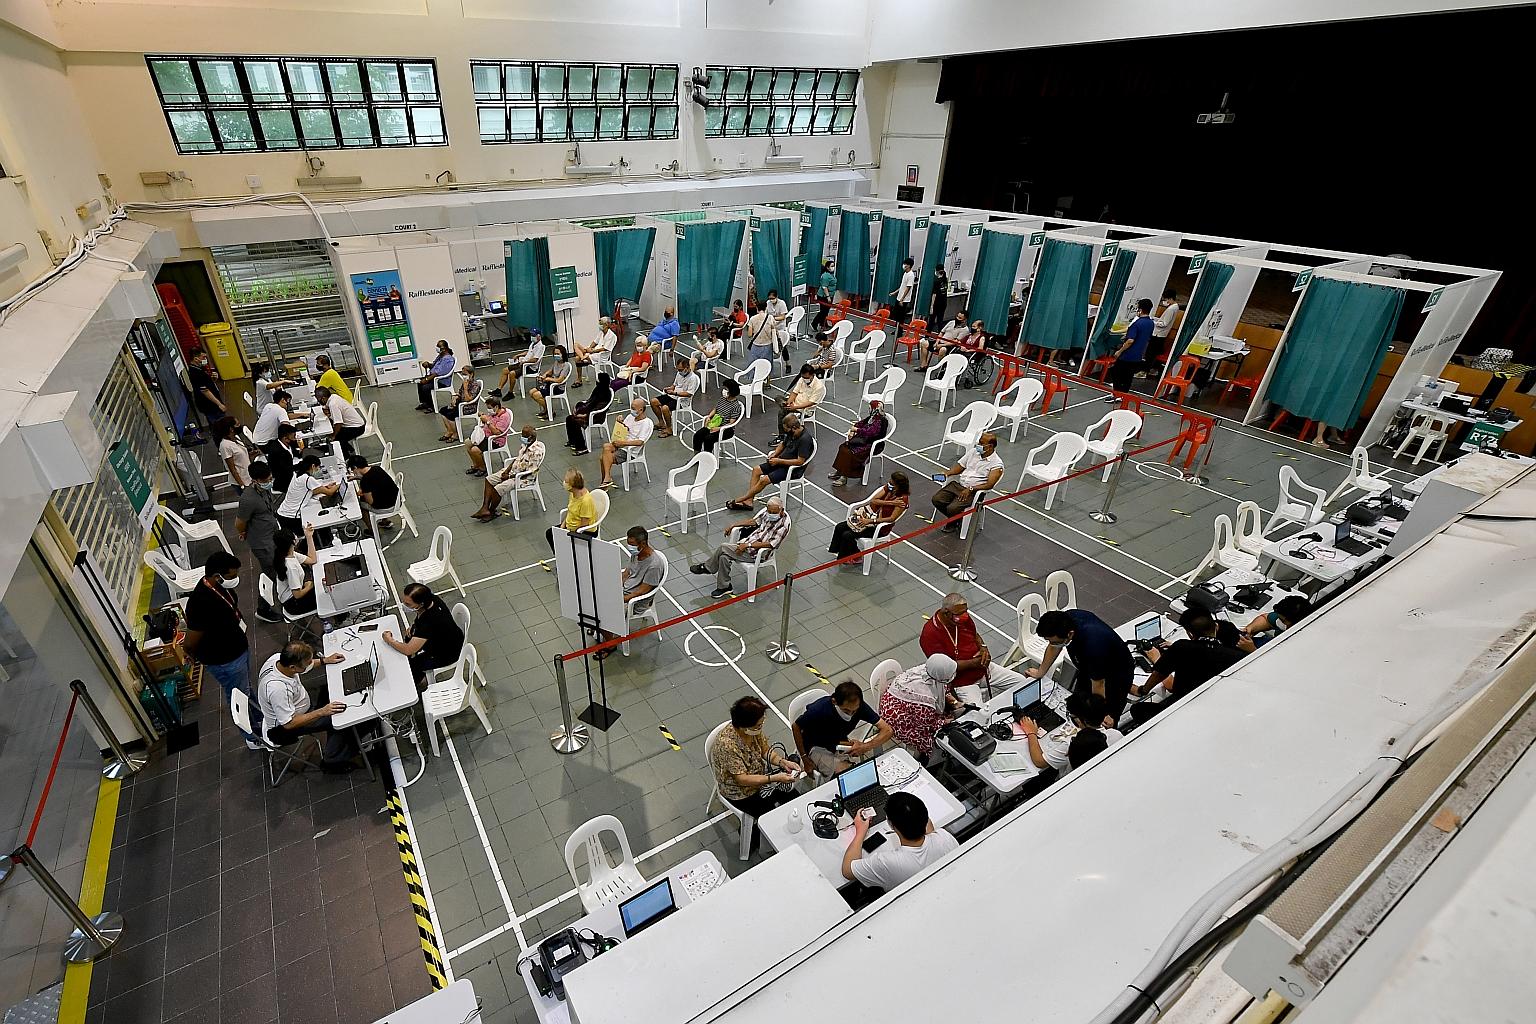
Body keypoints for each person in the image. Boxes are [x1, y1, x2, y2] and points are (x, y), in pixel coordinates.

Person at [1128, 609, 1248, 725]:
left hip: (1183, 709)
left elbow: (1162, 676)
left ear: (1190, 633)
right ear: (1216, 626)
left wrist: (1155, 660)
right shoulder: (1237, 656)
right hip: (1216, 707)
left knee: (1138, 709)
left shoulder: (1182, 647)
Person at [709, 696, 802, 844]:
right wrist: (775, 778)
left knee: (793, 796)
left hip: (760, 777)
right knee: (771, 814)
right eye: (758, 725)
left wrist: (782, 762)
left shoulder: (753, 731)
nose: (761, 727)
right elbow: (742, 779)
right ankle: (752, 836)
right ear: (744, 726)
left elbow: (765, 750)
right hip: (740, 792)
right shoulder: (727, 746)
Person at [256, 641, 356, 770]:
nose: (310, 663)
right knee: (342, 718)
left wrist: (325, 660)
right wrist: (322, 711)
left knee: (332, 691)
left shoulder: (278, 659)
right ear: (293, 667)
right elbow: (288, 723)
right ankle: (333, 760)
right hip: (285, 729)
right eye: (307, 663)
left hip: (299, 708)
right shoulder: (277, 689)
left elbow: (306, 666)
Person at [920, 591, 1029, 703]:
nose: (964, 616)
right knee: (978, 711)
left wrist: (983, 648)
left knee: (1022, 683)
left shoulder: (962, 618)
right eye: (960, 614)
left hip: (983, 668)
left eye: (965, 611)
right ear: (946, 613)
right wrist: (973, 663)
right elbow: (944, 668)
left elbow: (974, 634)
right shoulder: (929, 634)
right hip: (963, 682)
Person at [1029, 608, 1136, 720]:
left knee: (1103, 719)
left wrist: (1100, 714)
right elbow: (1053, 647)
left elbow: (1099, 684)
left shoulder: (1093, 646)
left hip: (1116, 675)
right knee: (1077, 706)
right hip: (1089, 668)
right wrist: (1040, 673)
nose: (1052, 644)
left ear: (1070, 634)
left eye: (1055, 641)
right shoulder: (1065, 621)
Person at [842, 791, 958, 889]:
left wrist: (860, 832)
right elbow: (929, 829)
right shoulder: (944, 837)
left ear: (891, 824)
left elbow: (847, 871)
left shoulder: (887, 862)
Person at [183, 551, 251, 717]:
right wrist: (190, 654)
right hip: (225, 659)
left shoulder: (220, 587)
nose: (235, 579)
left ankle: (256, 714)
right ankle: (249, 729)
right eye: (232, 576)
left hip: (238, 646)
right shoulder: (199, 603)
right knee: (238, 695)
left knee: (245, 688)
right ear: (217, 576)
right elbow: (190, 642)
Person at [691, 497, 790, 599]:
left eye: (774, 512)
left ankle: (708, 568)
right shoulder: (767, 512)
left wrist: (748, 545)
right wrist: (734, 525)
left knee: (723, 547)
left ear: (781, 510)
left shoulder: (784, 525)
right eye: (770, 511)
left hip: (758, 554)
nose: (771, 514)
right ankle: (724, 587)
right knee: (724, 557)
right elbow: (754, 522)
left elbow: (771, 544)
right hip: (747, 544)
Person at [793, 680, 894, 776]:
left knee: (856, 768)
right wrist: (805, 758)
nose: (850, 714)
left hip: (838, 742)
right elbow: (796, 726)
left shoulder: (860, 707)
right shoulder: (819, 710)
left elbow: (888, 730)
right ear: (834, 702)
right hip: (814, 745)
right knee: (844, 772)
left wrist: (865, 746)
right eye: (846, 710)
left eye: (854, 711)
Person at [596, 526, 667, 661]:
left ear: (643, 543)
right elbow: (627, 573)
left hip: (636, 601)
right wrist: (612, 587)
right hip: (624, 592)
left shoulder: (655, 565)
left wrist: (622, 599)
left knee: (601, 614)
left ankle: (610, 643)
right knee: (593, 601)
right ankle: (601, 627)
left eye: (632, 544)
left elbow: (643, 590)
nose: (630, 547)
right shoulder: (636, 554)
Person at [1016, 691, 1123, 777]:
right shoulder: (1116, 735)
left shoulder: (1074, 745)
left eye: (1072, 717)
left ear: (1081, 720)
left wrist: (1031, 733)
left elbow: (1039, 761)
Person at [878, 654, 963, 760]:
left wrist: (954, 702)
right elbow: (929, 724)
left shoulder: (927, 670)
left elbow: (943, 688)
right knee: (936, 739)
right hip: (898, 722)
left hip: (894, 704)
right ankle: (925, 760)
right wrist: (949, 721)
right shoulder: (925, 698)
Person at [382, 583, 465, 686]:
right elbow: (420, 617)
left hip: (448, 653)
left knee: (412, 665)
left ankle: (421, 682)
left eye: (408, 604)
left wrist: (389, 640)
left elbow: (408, 650)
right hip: (451, 637)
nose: (404, 605)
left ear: (420, 604)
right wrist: (414, 626)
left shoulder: (429, 622)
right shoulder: (432, 600)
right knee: (408, 638)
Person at [724, 414, 812, 510]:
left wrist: (779, 461)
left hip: (792, 469)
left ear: (794, 427)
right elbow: (783, 444)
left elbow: (800, 461)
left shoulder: (805, 440)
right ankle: (749, 501)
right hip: (780, 462)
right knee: (756, 470)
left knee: (764, 480)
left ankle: (742, 498)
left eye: (787, 430)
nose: (786, 432)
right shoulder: (792, 433)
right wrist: (775, 454)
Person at [931, 432, 1003, 532]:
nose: (978, 445)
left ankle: (952, 523)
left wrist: (971, 489)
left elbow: (989, 485)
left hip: (974, 492)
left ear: (990, 446)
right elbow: (960, 467)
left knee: (952, 508)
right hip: (959, 486)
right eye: (979, 442)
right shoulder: (973, 452)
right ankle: (958, 518)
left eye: (981, 443)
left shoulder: (996, 464)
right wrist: (947, 473)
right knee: (937, 499)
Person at [830, 472, 909, 560]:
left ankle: (856, 556)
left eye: (892, 480)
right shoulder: (889, 487)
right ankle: (837, 550)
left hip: (879, 527)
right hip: (869, 517)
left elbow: (892, 518)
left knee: (847, 535)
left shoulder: (902, 500)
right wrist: (891, 503)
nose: (889, 481)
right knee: (839, 527)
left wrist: (870, 521)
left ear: (898, 485)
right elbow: (874, 500)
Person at [473, 424, 545, 521]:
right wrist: (507, 471)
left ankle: (492, 511)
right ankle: (485, 508)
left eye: (524, 436)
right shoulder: (525, 445)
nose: (522, 437)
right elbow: (517, 459)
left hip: (523, 478)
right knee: (489, 480)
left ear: (531, 437)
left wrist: (509, 476)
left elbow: (530, 471)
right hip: (512, 471)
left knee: (498, 489)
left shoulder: (536, 452)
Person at [236, 461, 281, 579]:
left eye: (270, 479)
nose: (269, 483)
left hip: (272, 532)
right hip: (262, 541)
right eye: (266, 481)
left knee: (279, 560)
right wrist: (242, 532)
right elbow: (239, 522)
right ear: (255, 481)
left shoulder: (265, 489)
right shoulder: (247, 499)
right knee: (270, 566)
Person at [827, 400, 889, 486]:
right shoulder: (872, 418)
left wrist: (857, 430)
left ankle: (844, 477)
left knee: (849, 453)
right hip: (864, 441)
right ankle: (840, 471)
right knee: (843, 447)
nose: (869, 409)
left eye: (870, 408)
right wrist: (853, 429)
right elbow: (860, 423)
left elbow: (870, 432)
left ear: (875, 409)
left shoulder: (881, 421)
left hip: (872, 445)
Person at [598, 397, 654, 489]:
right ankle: (607, 479)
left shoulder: (646, 423)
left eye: (633, 408)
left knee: (603, 458)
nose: (631, 410)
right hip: (622, 444)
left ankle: (606, 480)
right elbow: (625, 429)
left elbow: (640, 442)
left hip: (630, 450)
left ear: (640, 410)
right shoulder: (630, 417)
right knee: (606, 446)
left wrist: (623, 443)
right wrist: (620, 422)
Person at [275, 453, 337, 535]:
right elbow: (330, 493)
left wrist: (325, 487)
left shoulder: (297, 474)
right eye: (318, 468)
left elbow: (310, 491)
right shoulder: (307, 479)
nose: (318, 470)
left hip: (283, 513)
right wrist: (339, 484)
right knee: (318, 523)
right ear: (313, 466)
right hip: (292, 517)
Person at [269, 525, 319, 617]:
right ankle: (340, 619)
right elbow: (297, 594)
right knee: (327, 595)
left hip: (293, 595)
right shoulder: (291, 567)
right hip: (294, 604)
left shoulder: (288, 554)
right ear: (292, 541)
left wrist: (309, 536)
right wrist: (309, 586)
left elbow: (312, 560)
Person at [1109, 298, 1155, 396]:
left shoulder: (1137, 324)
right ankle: (1123, 394)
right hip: (1138, 354)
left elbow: (1130, 341)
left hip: (1128, 354)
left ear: (1140, 310)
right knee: (1128, 376)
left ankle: (1116, 393)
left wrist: (1120, 351)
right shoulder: (1151, 323)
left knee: (1116, 372)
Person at [1237, 595, 1314, 651]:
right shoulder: (1286, 618)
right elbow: (1266, 619)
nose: (1280, 621)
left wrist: (1253, 650)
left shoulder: (1301, 642)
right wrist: (1251, 628)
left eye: (1283, 620)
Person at [544, 469, 596, 549]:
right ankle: (559, 553)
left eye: (566, 481)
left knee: (560, 540)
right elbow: (570, 511)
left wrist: (570, 533)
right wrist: (562, 526)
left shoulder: (585, 501)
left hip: (583, 531)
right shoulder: (573, 493)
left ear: (573, 485)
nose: (564, 483)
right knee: (550, 533)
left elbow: (584, 524)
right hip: (570, 526)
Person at [565, 372, 615, 455]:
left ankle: (582, 447)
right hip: (589, 413)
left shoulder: (606, 395)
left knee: (575, 422)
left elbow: (598, 409)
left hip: (596, 417)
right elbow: (590, 401)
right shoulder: (598, 389)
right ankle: (572, 441)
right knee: (569, 418)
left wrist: (584, 415)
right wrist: (578, 407)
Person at [651, 357, 700, 438]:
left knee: (665, 408)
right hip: (672, 395)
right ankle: (661, 422)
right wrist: (669, 388)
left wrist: (675, 393)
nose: (679, 371)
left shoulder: (693, 378)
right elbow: (674, 385)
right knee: (653, 401)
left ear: (687, 368)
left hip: (682, 400)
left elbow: (689, 394)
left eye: (680, 369)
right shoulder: (679, 374)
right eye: (678, 369)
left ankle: (669, 429)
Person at [464, 393, 512, 477]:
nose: (488, 410)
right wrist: (483, 417)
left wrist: (487, 421)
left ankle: (482, 468)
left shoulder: (504, 417)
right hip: (485, 435)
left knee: (475, 450)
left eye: (489, 408)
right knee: (467, 443)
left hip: (495, 440)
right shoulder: (494, 413)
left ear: (496, 406)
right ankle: (476, 465)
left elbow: (497, 432)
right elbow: (488, 420)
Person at [692, 379, 744, 455]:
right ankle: (697, 455)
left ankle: (708, 458)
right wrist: (709, 417)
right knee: (698, 435)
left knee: (708, 439)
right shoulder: (722, 399)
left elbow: (731, 423)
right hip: (714, 424)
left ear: (731, 391)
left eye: (726, 389)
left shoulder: (736, 406)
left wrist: (719, 428)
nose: (724, 391)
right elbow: (715, 409)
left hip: (726, 430)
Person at [437, 365, 484, 443]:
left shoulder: (475, 385)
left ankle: (455, 434)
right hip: (459, 404)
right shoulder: (465, 382)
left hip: (468, 407)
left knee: (451, 415)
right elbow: (460, 393)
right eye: (462, 374)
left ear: (471, 374)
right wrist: (455, 397)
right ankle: (449, 431)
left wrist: (465, 388)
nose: (463, 376)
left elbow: (468, 399)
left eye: (465, 374)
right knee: (443, 410)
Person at [493, 328, 544, 397]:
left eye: (534, 335)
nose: (532, 336)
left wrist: (525, 362)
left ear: (539, 336)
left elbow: (535, 359)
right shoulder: (533, 344)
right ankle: (498, 390)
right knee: (505, 370)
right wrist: (518, 355)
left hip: (530, 367)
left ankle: (510, 393)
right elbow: (529, 352)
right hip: (523, 363)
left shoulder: (540, 347)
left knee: (512, 373)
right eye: (531, 335)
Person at [317, 385, 365, 456]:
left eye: (318, 399)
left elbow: (338, 423)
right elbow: (326, 407)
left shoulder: (333, 404)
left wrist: (333, 436)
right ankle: (349, 448)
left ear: (323, 398)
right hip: (356, 423)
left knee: (336, 438)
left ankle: (346, 456)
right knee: (334, 432)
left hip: (357, 428)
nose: (318, 401)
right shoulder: (333, 396)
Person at [776, 364, 824, 436]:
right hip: (794, 404)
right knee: (777, 397)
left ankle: (782, 436)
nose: (805, 379)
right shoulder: (802, 379)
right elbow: (794, 392)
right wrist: (789, 402)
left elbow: (811, 403)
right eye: (803, 377)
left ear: (812, 375)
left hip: (803, 409)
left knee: (781, 412)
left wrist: (795, 407)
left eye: (806, 377)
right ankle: (786, 407)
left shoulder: (819, 387)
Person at [529, 345, 572, 421]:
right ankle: (546, 409)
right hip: (550, 384)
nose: (556, 355)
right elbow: (550, 371)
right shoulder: (556, 362)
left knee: (536, 395)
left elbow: (559, 380)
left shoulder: (566, 365)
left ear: (563, 354)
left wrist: (548, 379)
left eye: (558, 354)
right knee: (531, 392)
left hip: (557, 387)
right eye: (555, 354)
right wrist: (544, 375)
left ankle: (550, 411)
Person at [572, 316, 617, 385]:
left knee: (577, 358)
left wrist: (592, 351)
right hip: (593, 352)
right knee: (576, 345)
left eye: (601, 324)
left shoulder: (612, 336)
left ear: (606, 324)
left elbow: (605, 348)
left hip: (601, 356)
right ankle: (582, 357)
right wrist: (590, 348)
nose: (600, 325)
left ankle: (579, 379)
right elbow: (595, 342)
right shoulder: (601, 333)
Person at [186, 348, 227, 423]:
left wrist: (213, 379)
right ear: (196, 359)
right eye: (203, 357)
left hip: (212, 402)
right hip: (209, 404)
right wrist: (219, 404)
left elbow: (206, 383)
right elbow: (205, 391)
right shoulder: (195, 373)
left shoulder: (200, 368)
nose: (205, 359)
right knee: (220, 422)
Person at [415, 340, 457, 411]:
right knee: (420, 383)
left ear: (444, 349)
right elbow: (433, 366)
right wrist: (428, 364)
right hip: (434, 378)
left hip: (441, 381)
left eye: (438, 346)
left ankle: (431, 406)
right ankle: (424, 403)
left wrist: (426, 380)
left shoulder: (448, 359)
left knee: (425, 387)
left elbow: (437, 373)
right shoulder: (440, 356)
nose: (437, 348)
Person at [262, 422, 303, 495]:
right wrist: (302, 465)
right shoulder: (277, 452)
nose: (295, 439)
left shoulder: (286, 444)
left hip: (290, 472)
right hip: (283, 481)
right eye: (293, 437)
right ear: (285, 438)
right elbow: (287, 470)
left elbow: (293, 452)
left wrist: (299, 452)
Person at [215, 416, 251, 492]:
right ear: (231, 429)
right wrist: (242, 485)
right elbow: (232, 469)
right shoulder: (225, 446)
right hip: (242, 481)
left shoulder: (236, 438)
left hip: (248, 477)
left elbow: (241, 458)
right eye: (237, 424)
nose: (239, 425)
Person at [763, 290, 792, 372]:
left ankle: (788, 364)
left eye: (773, 298)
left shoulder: (782, 303)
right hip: (771, 328)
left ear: (776, 297)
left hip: (780, 327)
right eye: (770, 298)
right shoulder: (768, 303)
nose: (771, 300)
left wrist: (773, 318)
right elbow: (766, 314)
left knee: (783, 347)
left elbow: (783, 317)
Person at [1152, 289, 1181, 363]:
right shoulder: (1175, 307)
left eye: (1165, 299)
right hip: (1162, 333)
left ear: (1170, 298)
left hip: (1159, 334)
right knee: (1156, 353)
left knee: (1151, 353)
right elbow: (1164, 319)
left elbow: (1164, 324)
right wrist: (1155, 319)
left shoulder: (1171, 309)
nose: (1164, 301)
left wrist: (1153, 322)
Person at [743, 302, 776, 366]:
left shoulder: (752, 318)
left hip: (756, 344)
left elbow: (749, 334)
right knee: (766, 365)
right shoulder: (770, 318)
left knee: (754, 365)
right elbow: (774, 331)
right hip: (767, 345)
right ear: (766, 308)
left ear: (757, 308)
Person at [890, 256, 917, 330]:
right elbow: (902, 286)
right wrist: (894, 293)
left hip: (904, 300)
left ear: (909, 265)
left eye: (905, 264)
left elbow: (908, 288)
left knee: (901, 317)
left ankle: (899, 331)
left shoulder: (911, 275)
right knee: (896, 315)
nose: (904, 265)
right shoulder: (905, 273)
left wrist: (902, 299)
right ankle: (896, 329)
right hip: (899, 297)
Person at [812, 260, 836, 332]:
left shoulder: (830, 274)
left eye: (833, 266)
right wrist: (828, 297)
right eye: (832, 266)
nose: (833, 267)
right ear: (827, 267)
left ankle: (823, 324)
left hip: (829, 295)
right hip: (824, 296)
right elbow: (824, 287)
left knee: (825, 311)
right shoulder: (825, 276)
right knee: (823, 312)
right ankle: (814, 323)